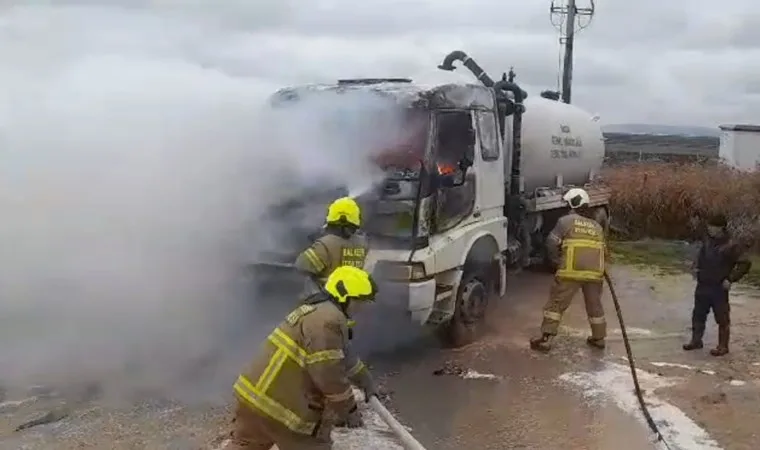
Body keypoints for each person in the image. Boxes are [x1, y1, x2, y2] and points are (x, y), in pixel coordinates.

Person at [225, 266, 379, 450]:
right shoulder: (328, 320)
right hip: (283, 409)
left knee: (245, 446)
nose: (362, 309)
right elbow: (327, 372)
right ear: (345, 297)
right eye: (361, 302)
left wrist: (365, 380)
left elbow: (344, 357)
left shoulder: (317, 312)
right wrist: (348, 409)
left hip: (253, 397)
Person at [530, 187, 608, 352]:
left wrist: (556, 261)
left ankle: (546, 339)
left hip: (570, 271)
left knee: (556, 305)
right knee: (595, 306)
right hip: (595, 273)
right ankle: (599, 338)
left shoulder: (566, 221)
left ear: (572, 203)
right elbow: (603, 251)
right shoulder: (597, 226)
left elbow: (551, 243)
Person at [683, 214, 752, 356]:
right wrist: (695, 268)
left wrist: (731, 279)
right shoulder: (707, 242)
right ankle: (696, 341)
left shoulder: (731, 245)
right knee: (698, 314)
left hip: (719, 287)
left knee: (722, 317)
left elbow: (745, 263)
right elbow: (700, 258)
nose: (710, 229)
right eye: (709, 227)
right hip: (703, 284)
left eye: (713, 227)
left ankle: (723, 346)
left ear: (721, 228)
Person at [295, 196, 369, 292]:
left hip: (327, 298)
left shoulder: (325, 245)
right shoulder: (362, 243)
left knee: (310, 280)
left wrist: (317, 241)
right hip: (351, 296)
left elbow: (301, 265)